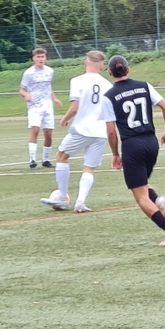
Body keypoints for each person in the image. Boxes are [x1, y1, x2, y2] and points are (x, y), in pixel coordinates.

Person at [103, 55, 165, 247]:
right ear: (128, 69)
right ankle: (158, 200)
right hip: (151, 142)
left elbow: (111, 131)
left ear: (110, 72)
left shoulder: (109, 96)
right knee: (142, 183)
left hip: (132, 145)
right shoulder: (144, 86)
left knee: (140, 197)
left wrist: (115, 154)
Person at [39, 50, 113, 213]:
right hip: (101, 131)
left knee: (61, 156)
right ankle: (80, 202)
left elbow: (75, 107)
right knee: (89, 168)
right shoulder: (108, 85)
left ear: (86, 62)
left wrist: (65, 118)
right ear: (101, 65)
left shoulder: (77, 81)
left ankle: (62, 196)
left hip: (82, 129)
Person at [20, 48, 63, 169]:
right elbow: (22, 89)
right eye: (38, 57)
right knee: (35, 129)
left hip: (47, 106)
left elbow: (48, 87)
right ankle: (32, 159)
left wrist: (55, 99)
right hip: (34, 106)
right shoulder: (29, 73)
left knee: (48, 133)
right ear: (33, 58)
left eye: (42, 56)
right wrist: (26, 95)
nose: (41, 59)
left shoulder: (49, 71)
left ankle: (46, 160)